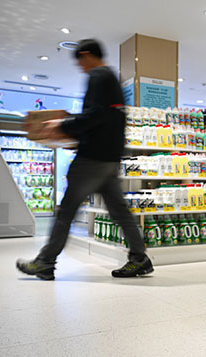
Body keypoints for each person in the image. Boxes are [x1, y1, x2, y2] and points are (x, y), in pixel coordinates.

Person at [16, 39, 153, 280]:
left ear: (87, 55)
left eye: (79, 60)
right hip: (109, 159)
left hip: (92, 159)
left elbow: (95, 115)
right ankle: (139, 258)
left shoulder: (98, 76)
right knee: (120, 212)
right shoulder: (112, 78)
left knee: (66, 211)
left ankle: (45, 262)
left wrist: (63, 125)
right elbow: (107, 119)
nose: (80, 66)